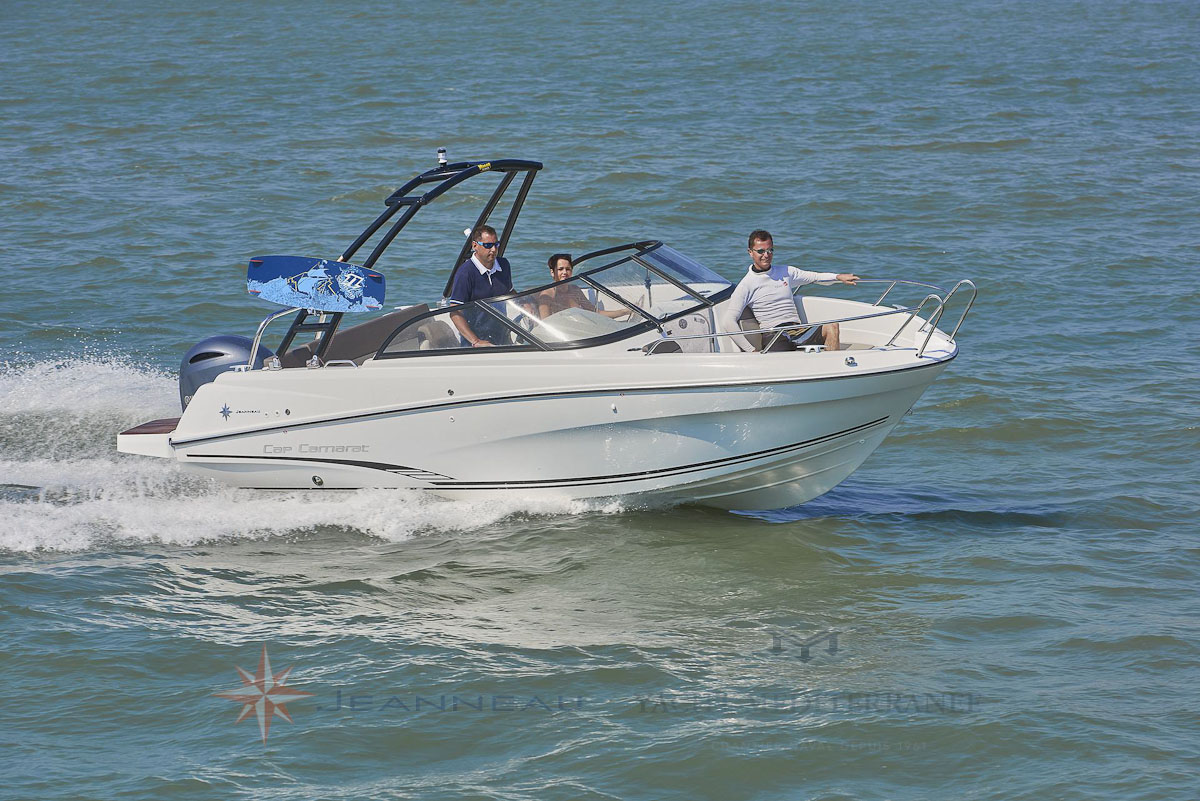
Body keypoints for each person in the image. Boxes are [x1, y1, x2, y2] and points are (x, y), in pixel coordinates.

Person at [720, 230, 860, 352]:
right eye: (761, 251)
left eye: (770, 250)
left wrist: (838, 277)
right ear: (750, 252)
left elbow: (814, 277)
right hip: (774, 334)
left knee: (832, 326)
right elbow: (728, 322)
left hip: (797, 330)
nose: (766, 255)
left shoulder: (786, 272)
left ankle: (832, 367)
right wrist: (751, 350)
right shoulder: (746, 285)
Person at [448, 224, 514, 347]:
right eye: (488, 245)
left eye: (496, 244)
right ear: (475, 246)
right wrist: (476, 341)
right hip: (476, 345)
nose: (493, 249)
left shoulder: (504, 265)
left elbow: (511, 293)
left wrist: (527, 305)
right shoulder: (465, 273)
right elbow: (455, 312)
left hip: (502, 339)